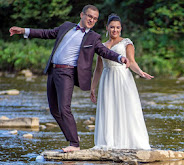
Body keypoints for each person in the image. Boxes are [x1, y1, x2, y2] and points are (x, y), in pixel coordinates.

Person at [9, 5, 129, 152]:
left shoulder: (94, 37)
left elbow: (104, 52)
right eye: (90, 16)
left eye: (95, 19)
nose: (92, 20)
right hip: (53, 71)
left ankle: (74, 144)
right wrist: (23, 30)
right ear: (82, 15)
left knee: (64, 108)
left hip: (67, 74)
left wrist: (119, 57)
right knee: (54, 110)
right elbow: (46, 33)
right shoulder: (66, 26)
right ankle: (73, 137)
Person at [90, 14, 154, 150]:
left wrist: (140, 72)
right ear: (107, 28)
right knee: (109, 109)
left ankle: (129, 142)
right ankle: (109, 142)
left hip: (122, 78)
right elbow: (98, 69)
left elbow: (131, 62)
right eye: (112, 27)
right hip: (107, 80)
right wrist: (93, 88)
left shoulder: (126, 42)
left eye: (118, 27)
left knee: (126, 108)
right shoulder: (101, 46)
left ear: (121, 28)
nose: (115, 30)